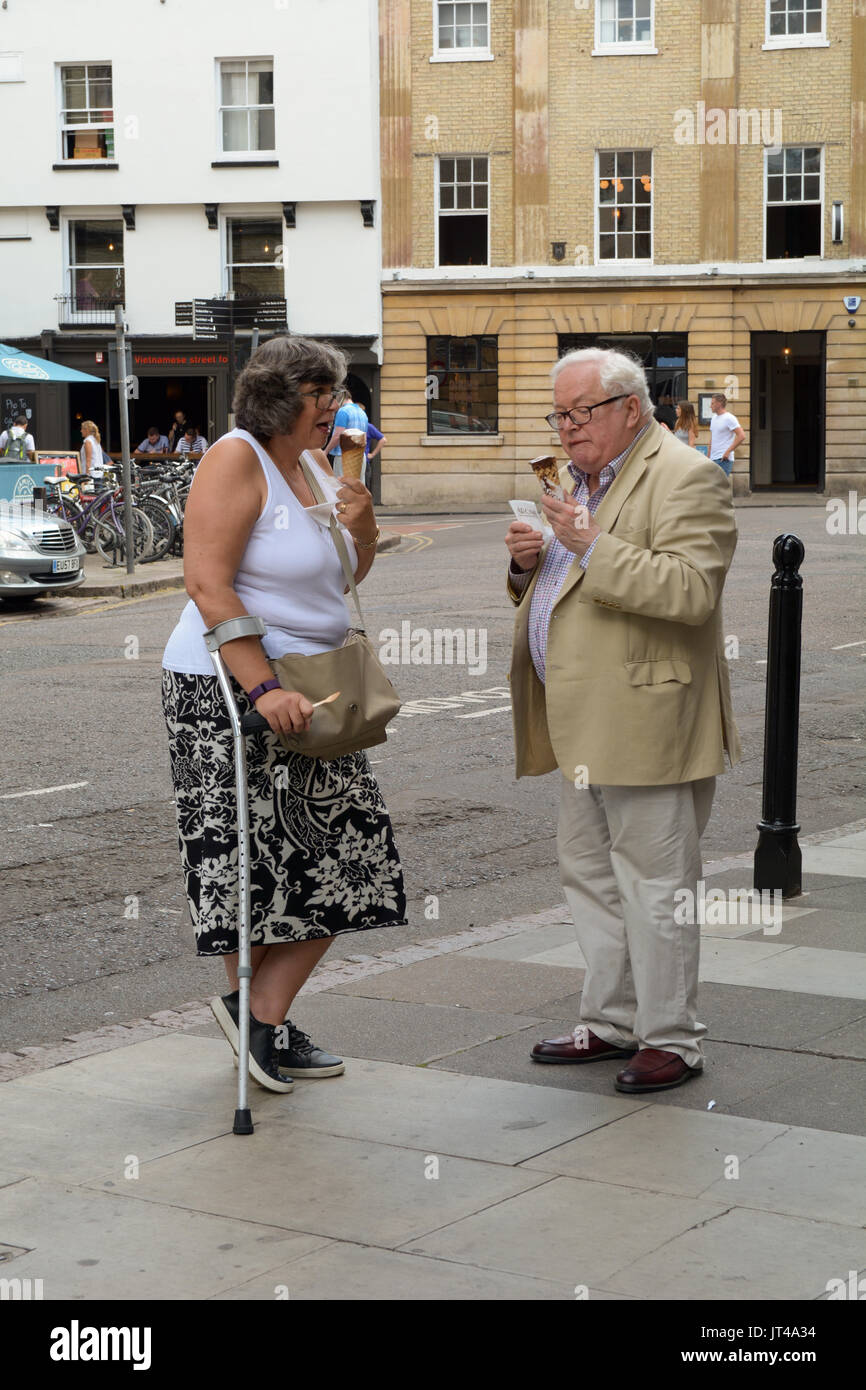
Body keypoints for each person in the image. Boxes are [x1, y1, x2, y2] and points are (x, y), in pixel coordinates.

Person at [161, 334, 406, 1093]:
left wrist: (360, 523)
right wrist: (265, 690)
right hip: (229, 689)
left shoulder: (315, 463)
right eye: (321, 394)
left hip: (316, 684)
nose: (335, 406)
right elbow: (208, 583)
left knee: (348, 859)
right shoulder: (237, 457)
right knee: (255, 869)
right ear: (282, 401)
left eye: (335, 393)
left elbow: (343, 575)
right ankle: (260, 1019)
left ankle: (258, 1014)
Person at [505, 347, 740, 1095]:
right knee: (592, 879)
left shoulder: (687, 475)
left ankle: (673, 1038)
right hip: (580, 715)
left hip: (646, 715)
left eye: (581, 413)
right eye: (559, 415)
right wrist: (527, 565)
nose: (567, 429)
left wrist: (587, 546)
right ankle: (610, 1020)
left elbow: (690, 590)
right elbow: (565, 584)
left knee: (655, 884)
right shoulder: (580, 481)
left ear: (629, 410)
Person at [324, 389, 369, 481]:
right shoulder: (362, 413)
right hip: (360, 456)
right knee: (358, 487)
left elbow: (338, 436)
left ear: (340, 398)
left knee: (342, 487)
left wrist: (325, 451)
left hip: (343, 456)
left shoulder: (343, 411)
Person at [709, 393, 745, 476]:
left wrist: (728, 452)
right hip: (713, 458)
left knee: (720, 487)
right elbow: (712, 438)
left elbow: (742, 436)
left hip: (723, 459)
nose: (710, 406)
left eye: (712, 403)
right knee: (714, 487)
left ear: (719, 404)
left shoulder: (729, 418)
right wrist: (709, 456)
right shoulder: (714, 418)